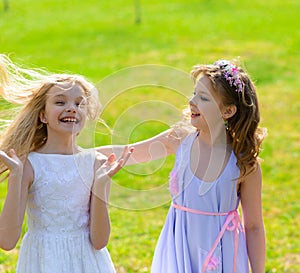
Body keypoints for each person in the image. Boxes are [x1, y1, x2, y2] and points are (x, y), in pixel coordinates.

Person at [98, 59, 266, 272]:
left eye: (203, 98)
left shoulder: (243, 163)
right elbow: (131, 151)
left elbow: (253, 226)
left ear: (228, 111)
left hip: (220, 250)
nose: (192, 101)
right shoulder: (180, 139)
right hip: (179, 243)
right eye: (194, 93)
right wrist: (76, 155)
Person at [0, 54, 132, 273]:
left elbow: (99, 241)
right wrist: (15, 176)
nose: (72, 108)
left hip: (87, 263)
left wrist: (100, 184)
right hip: (44, 261)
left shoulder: (96, 164)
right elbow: (6, 241)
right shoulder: (28, 165)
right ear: (43, 116)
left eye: (79, 104)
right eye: (60, 102)